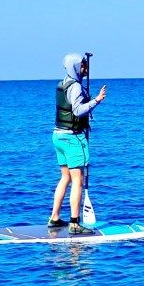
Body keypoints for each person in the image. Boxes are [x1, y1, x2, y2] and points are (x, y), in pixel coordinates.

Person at [49, 53, 107, 234]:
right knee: (77, 181)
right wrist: (96, 101)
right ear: (74, 67)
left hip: (58, 135)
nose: (85, 69)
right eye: (82, 66)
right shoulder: (75, 87)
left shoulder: (63, 83)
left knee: (65, 177)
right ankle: (74, 223)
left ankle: (55, 217)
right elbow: (78, 110)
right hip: (71, 138)